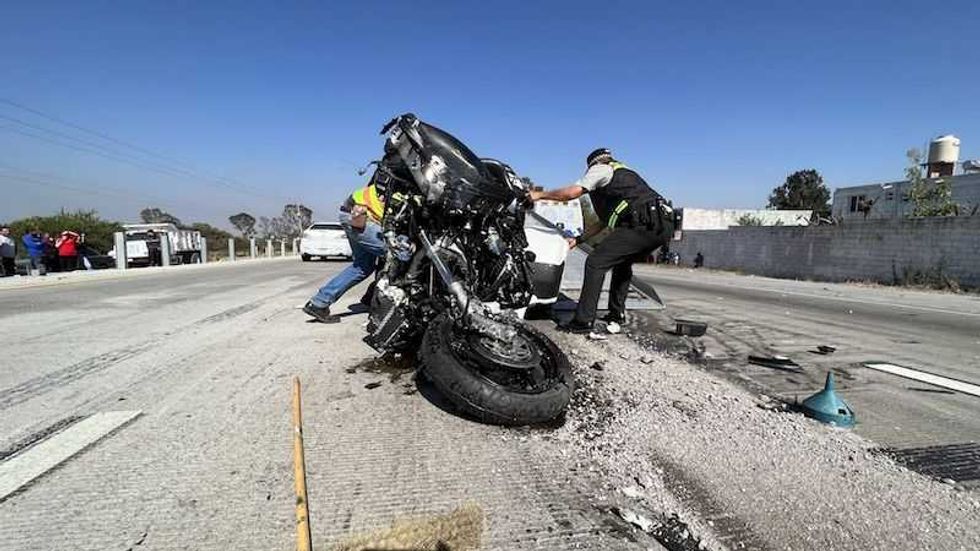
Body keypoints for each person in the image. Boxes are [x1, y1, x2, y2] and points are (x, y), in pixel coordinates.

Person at [529, 148, 674, 337]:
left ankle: (583, 321)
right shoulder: (624, 177)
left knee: (596, 262)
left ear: (592, 164)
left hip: (642, 223)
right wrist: (579, 239)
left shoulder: (601, 169)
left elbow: (572, 193)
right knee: (622, 264)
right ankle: (617, 314)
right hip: (661, 225)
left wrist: (539, 195)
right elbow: (601, 223)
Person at [303, 180, 386, 323]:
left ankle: (319, 303)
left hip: (352, 212)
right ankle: (380, 303)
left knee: (363, 265)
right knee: (401, 253)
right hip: (363, 216)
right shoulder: (414, 179)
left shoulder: (395, 171)